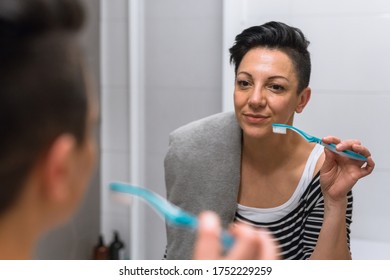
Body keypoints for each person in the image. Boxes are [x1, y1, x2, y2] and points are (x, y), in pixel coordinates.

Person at [0, 0, 277, 260]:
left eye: (275, 86)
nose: (255, 99)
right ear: (58, 168)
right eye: (91, 127)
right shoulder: (190, 146)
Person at [164, 21, 375, 260]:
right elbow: (177, 251)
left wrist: (335, 203)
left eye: (275, 87)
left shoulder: (322, 173)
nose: (255, 99)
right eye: (244, 83)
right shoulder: (196, 153)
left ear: (302, 100)